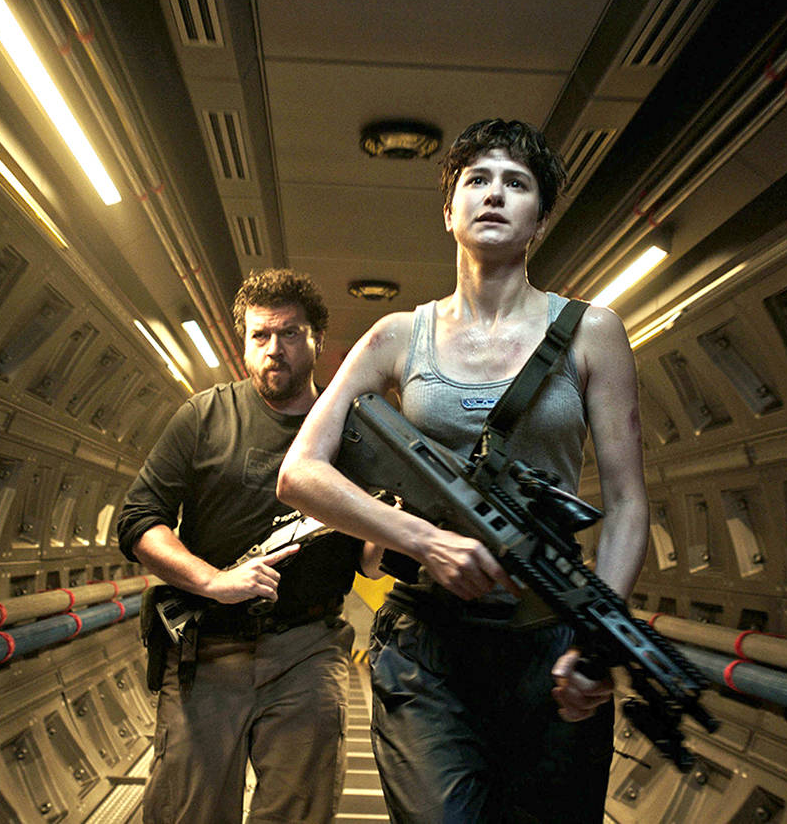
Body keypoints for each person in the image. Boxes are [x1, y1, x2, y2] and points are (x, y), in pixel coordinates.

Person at [277, 119, 649, 822]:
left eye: (518, 184)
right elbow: (300, 473)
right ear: (448, 211)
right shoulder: (396, 336)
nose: (495, 194)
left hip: (550, 637)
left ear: (540, 219)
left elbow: (628, 502)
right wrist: (423, 540)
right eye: (477, 180)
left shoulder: (594, 332)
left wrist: (600, 637)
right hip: (427, 646)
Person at [117, 268, 376, 824]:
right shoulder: (204, 416)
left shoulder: (350, 432)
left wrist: (396, 529)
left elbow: (370, 560)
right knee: (188, 811)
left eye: (289, 334)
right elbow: (138, 519)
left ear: (317, 339)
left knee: (300, 813)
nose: (274, 349)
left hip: (308, 650)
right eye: (260, 336)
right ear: (244, 344)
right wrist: (213, 581)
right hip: (209, 650)